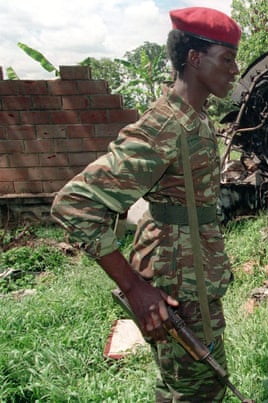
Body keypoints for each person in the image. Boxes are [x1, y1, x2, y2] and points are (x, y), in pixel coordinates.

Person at [51, 7, 241, 402]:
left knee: (181, 387)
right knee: (199, 391)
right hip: (177, 289)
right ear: (194, 59)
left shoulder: (196, 118)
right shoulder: (165, 127)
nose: (235, 69)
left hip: (194, 278)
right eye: (227, 59)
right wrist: (134, 287)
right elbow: (74, 203)